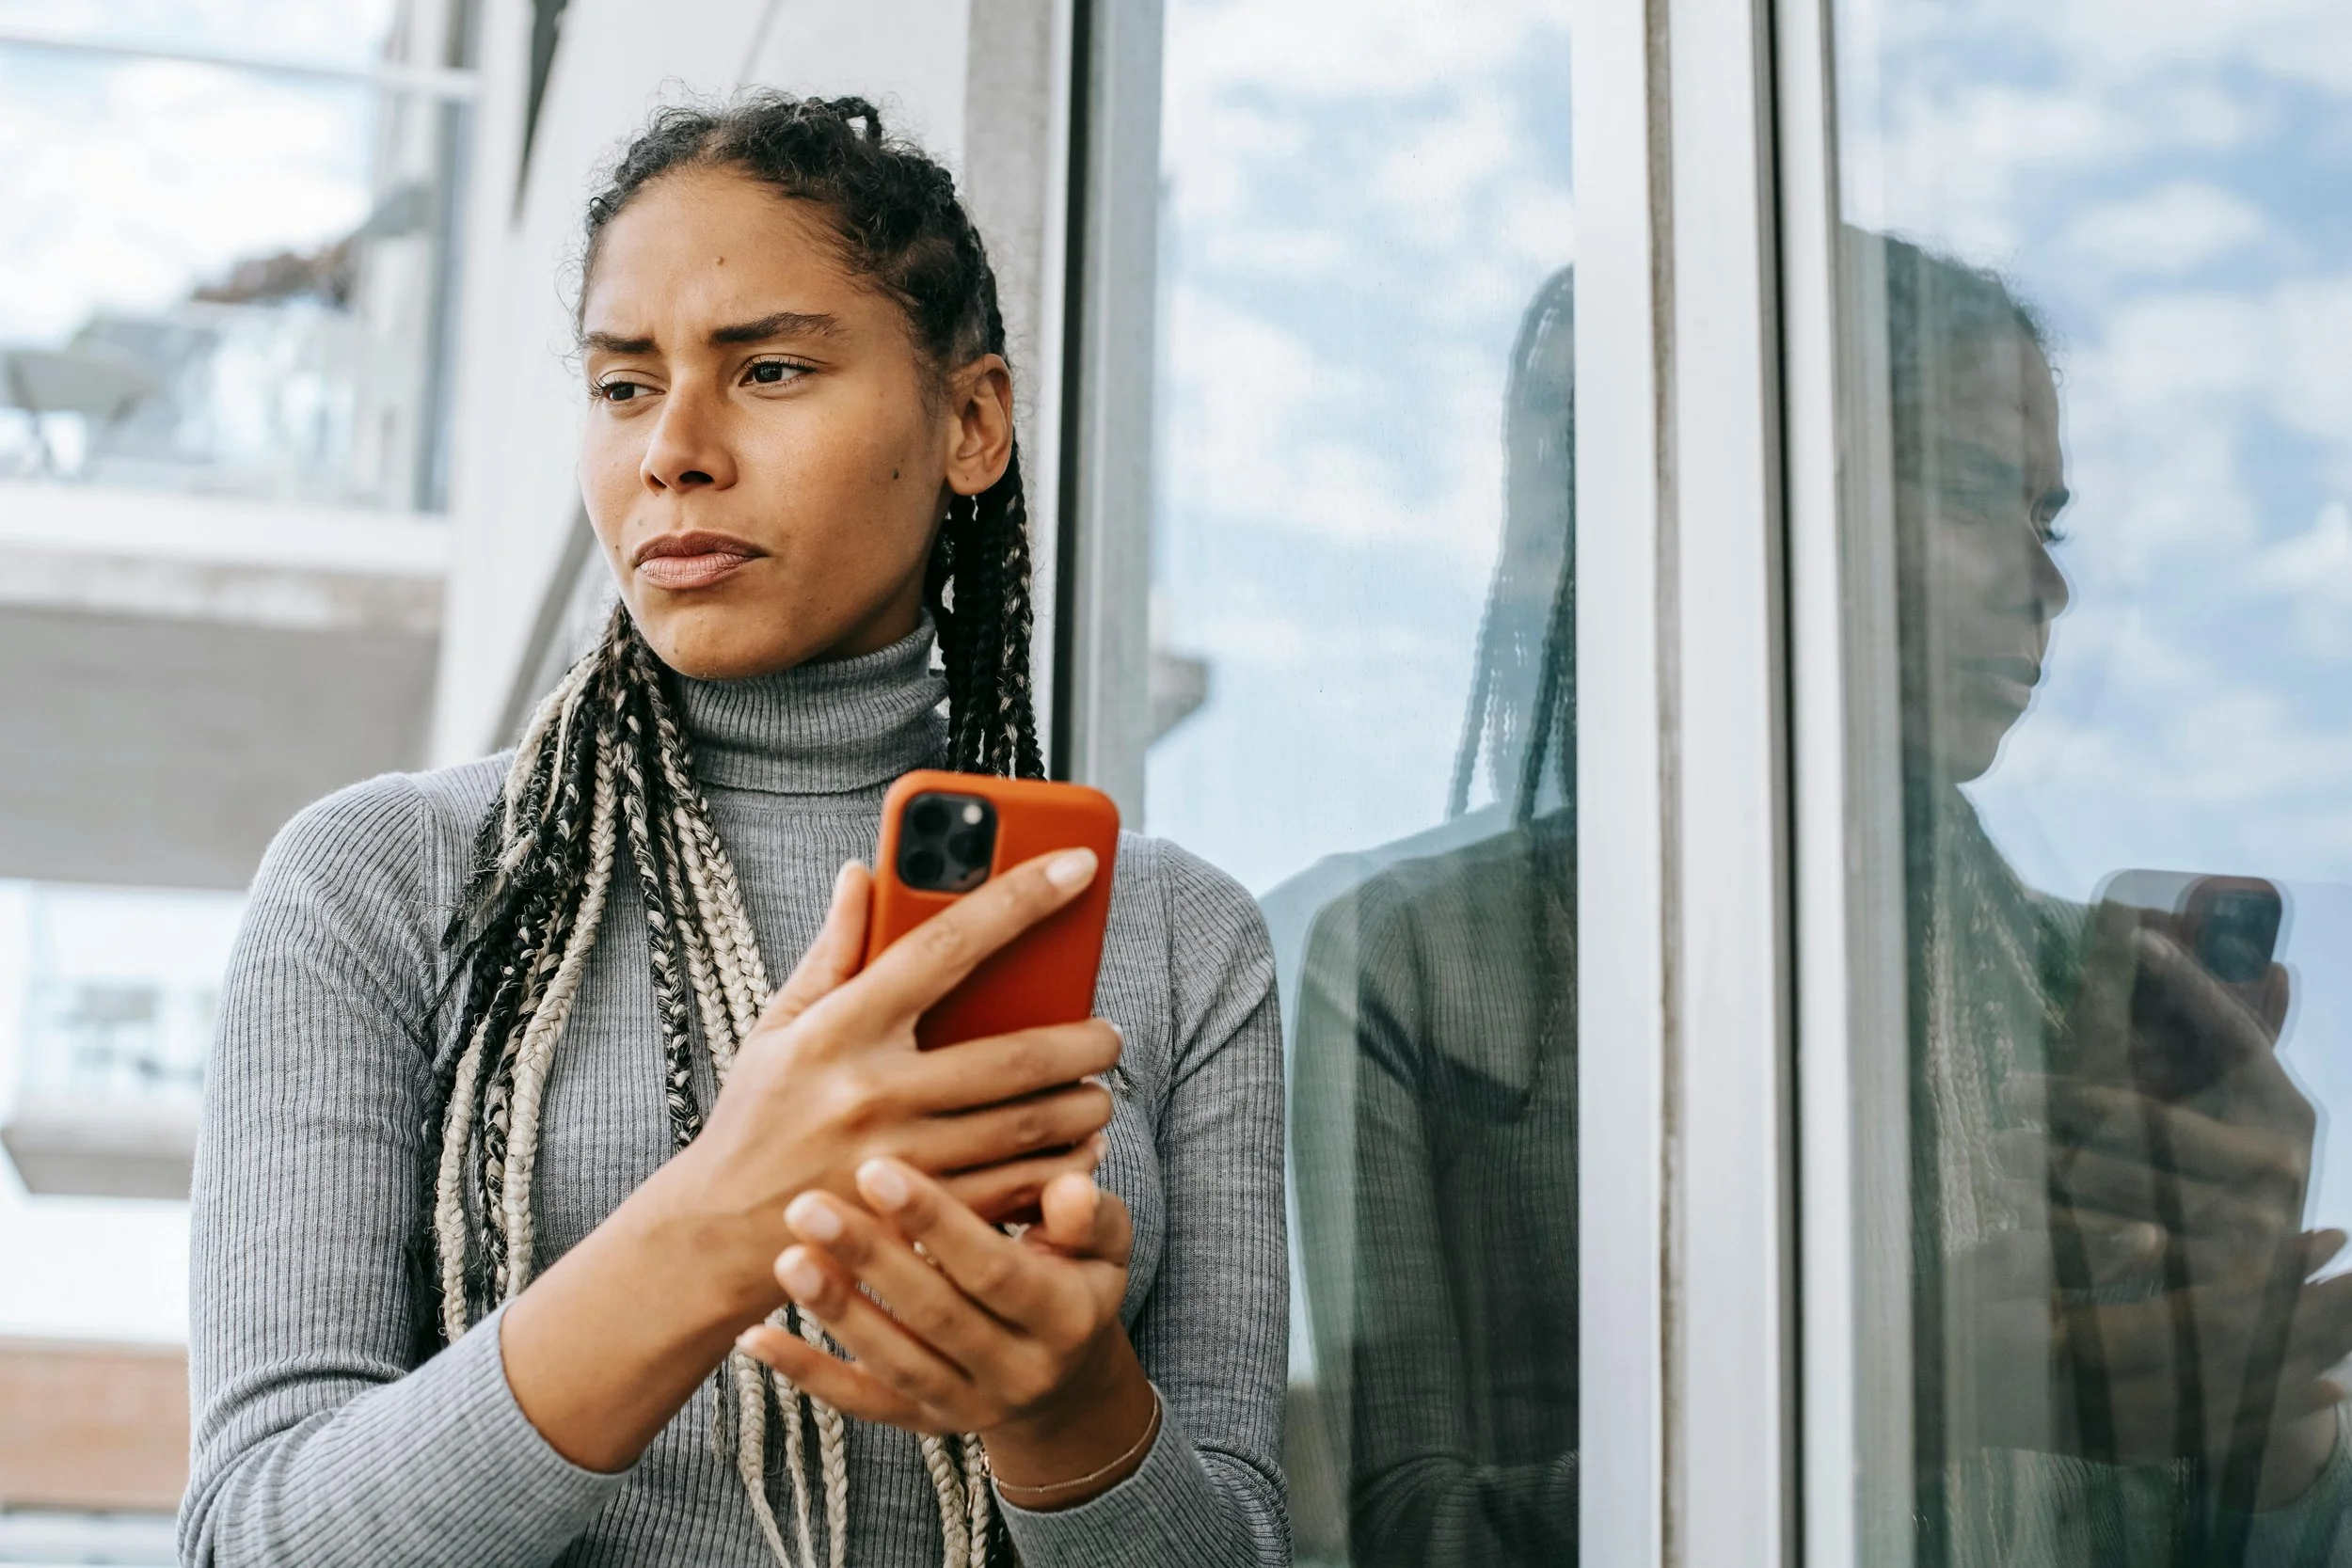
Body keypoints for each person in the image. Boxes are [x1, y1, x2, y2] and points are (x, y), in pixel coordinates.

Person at [178, 94, 1288, 1568]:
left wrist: (1073, 1412)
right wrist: (721, 1216)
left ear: (971, 422)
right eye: (624, 386)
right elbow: (260, 1541)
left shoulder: (1172, 936)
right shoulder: (383, 881)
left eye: (768, 367)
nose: (675, 451)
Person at [1287, 264, 1577, 1567]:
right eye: (1556, 461)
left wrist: (2273, 1418)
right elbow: (1408, 1528)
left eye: (2043, 519)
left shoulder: (2081, 988)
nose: (1547, 537)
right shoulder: (1416, 952)